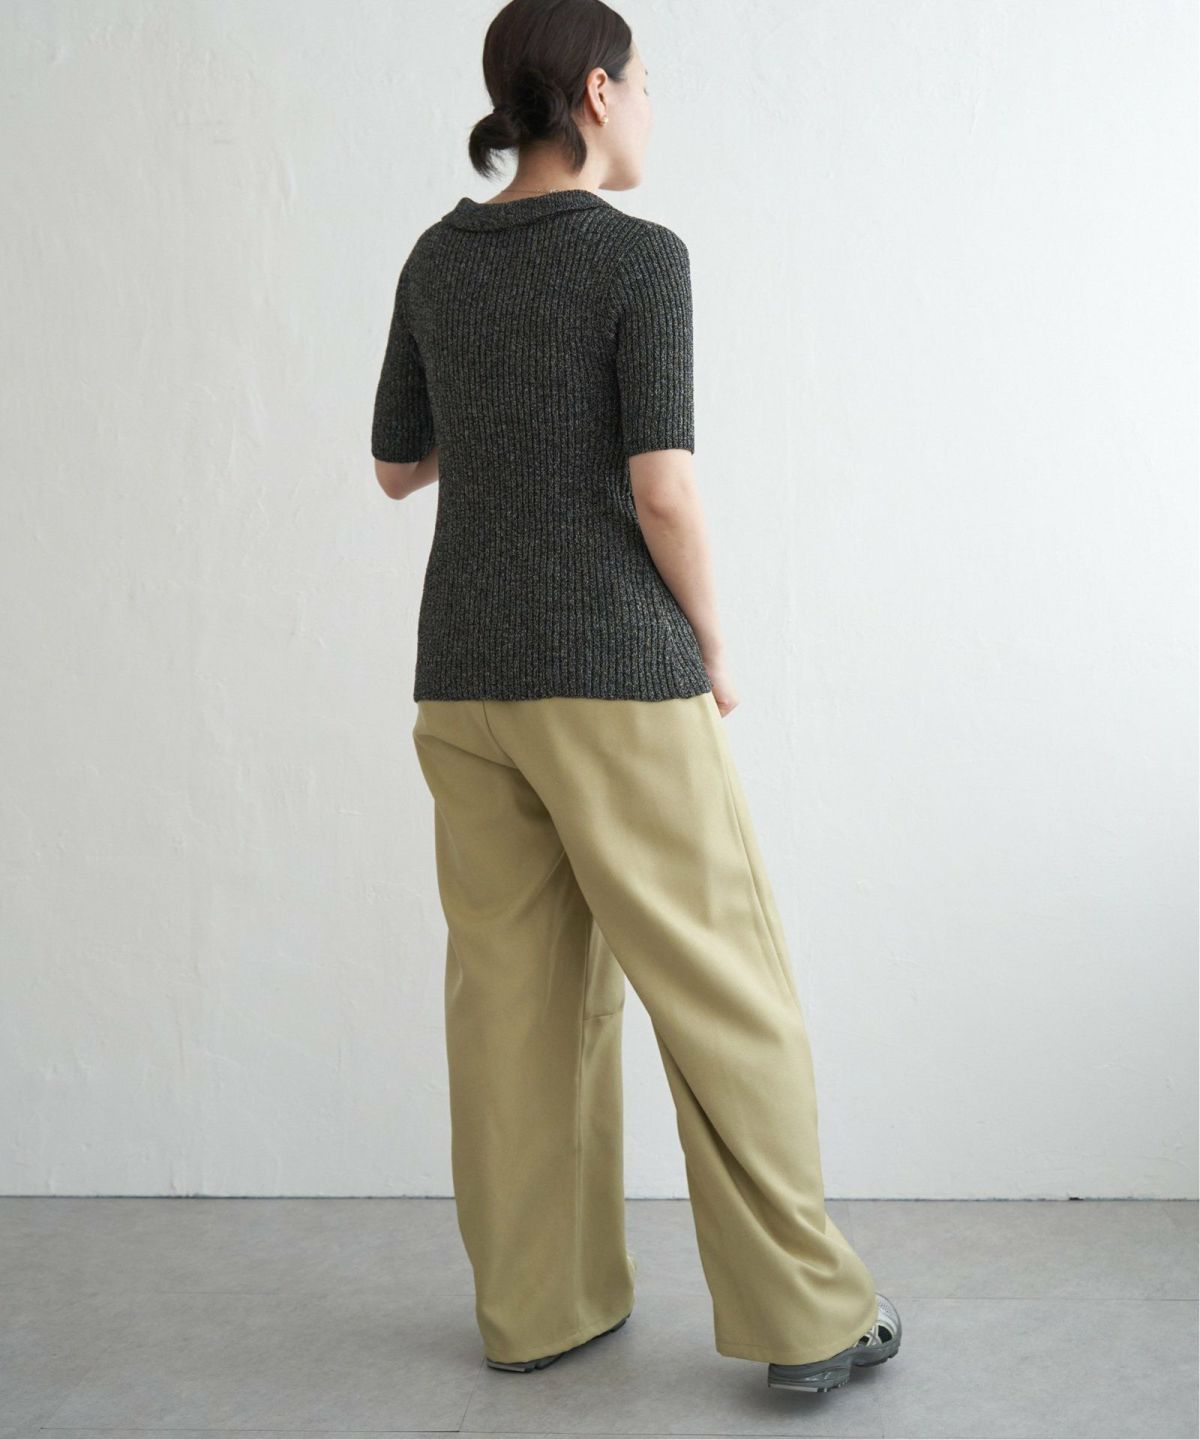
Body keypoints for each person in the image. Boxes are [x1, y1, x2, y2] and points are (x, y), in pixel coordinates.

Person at [370, 0, 902, 1396]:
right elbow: (662, 488)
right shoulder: (639, 259)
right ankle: (809, 1318)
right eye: (649, 84)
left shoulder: (437, 258)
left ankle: (536, 1309)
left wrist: (502, 411)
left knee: (512, 1005)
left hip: (464, 683)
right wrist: (714, 645)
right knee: (725, 989)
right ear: (598, 95)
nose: (655, 109)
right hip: (613, 673)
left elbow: (397, 466)